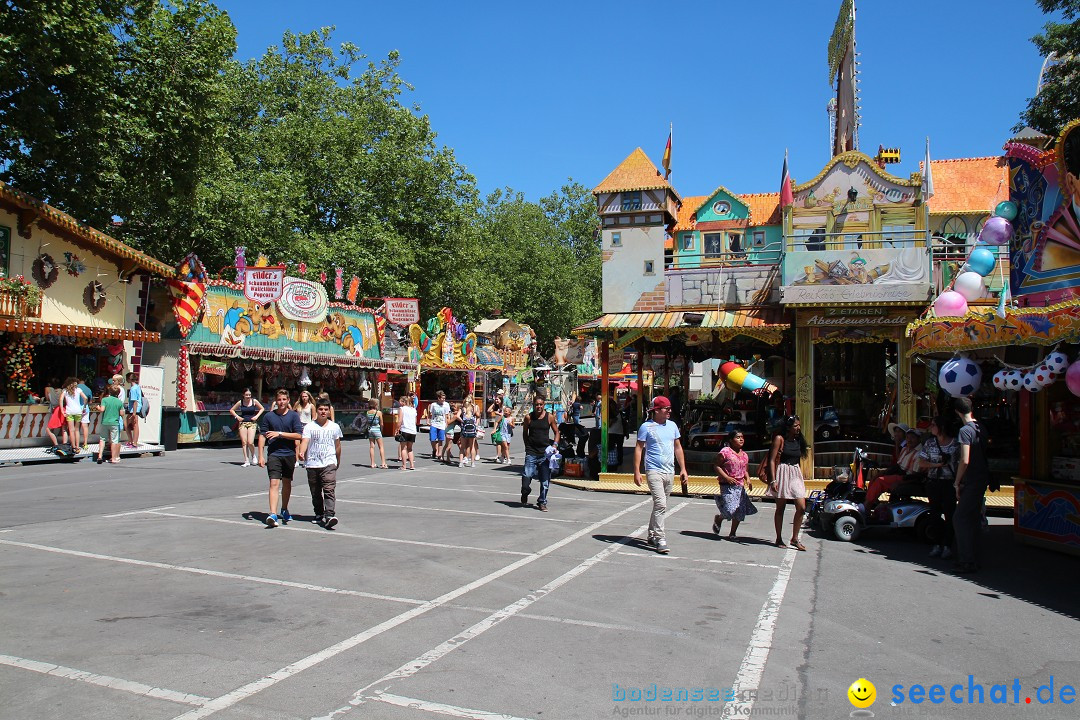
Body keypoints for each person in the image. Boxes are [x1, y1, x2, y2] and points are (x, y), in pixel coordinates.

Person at [633, 395, 689, 554]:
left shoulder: (672, 426)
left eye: (670, 408)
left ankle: (651, 534)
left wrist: (683, 469)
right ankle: (660, 538)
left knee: (660, 505)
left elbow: (678, 448)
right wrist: (637, 471)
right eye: (666, 408)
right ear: (656, 411)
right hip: (653, 470)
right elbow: (639, 448)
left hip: (669, 471)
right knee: (661, 504)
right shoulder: (646, 427)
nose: (669, 411)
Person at [953, 397, 991, 574]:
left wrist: (957, 481)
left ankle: (966, 560)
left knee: (960, 518)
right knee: (973, 518)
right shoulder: (981, 428)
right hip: (982, 477)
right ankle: (975, 557)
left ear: (957, 412)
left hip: (971, 479)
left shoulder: (965, 431)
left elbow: (965, 459)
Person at [257, 388, 304, 528]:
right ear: (275, 401)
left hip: (289, 454)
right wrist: (260, 455)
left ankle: (284, 509)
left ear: (288, 400)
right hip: (274, 454)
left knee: (287, 483)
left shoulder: (294, 416)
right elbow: (262, 436)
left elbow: (299, 435)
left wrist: (280, 434)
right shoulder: (269, 416)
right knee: (273, 483)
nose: (281, 402)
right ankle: (272, 513)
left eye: (284, 399)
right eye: (279, 400)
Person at [767, 415, 809, 551]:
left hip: (795, 473)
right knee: (781, 508)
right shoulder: (780, 439)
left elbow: (798, 459)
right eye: (795, 426)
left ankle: (794, 538)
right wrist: (773, 480)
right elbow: (772, 460)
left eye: (799, 425)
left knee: (801, 507)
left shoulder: (798, 440)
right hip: (782, 472)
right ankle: (778, 538)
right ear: (788, 427)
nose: (798, 428)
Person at [299, 398, 343, 529]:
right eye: (321, 409)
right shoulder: (309, 427)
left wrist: (337, 460)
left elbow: (338, 446)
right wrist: (301, 452)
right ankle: (318, 513)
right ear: (316, 411)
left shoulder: (334, 427)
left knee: (329, 489)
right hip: (312, 463)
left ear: (329, 411)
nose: (323, 412)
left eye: (326, 409)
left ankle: (329, 515)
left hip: (329, 462)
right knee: (315, 491)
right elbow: (305, 441)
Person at [919, 416, 958, 559]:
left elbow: (960, 464)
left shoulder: (955, 444)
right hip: (934, 481)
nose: (931, 427)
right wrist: (937, 465)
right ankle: (936, 544)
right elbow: (921, 462)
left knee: (950, 514)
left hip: (949, 482)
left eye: (934, 425)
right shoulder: (930, 443)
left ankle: (948, 545)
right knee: (934, 513)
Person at [713, 431, 757, 539]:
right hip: (727, 485)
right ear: (731, 440)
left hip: (740, 486)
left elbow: (745, 470)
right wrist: (727, 477)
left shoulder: (745, 455)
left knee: (739, 510)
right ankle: (719, 518)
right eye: (738, 437)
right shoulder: (725, 452)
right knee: (730, 509)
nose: (741, 439)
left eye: (742, 437)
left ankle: (732, 533)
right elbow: (716, 466)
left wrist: (748, 480)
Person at [865, 429, 923, 509]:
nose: (909, 440)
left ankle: (867, 506)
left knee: (880, 481)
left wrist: (900, 483)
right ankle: (870, 502)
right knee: (874, 478)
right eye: (908, 437)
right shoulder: (905, 449)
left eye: (912, 437)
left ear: (919, 439)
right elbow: (898, 465)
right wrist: (884, 472)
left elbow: (916, 476)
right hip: (898, 473)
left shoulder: (920, 454)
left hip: (906, 477)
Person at [521, 393, 559, 511]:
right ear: (533, 405)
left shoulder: (549, 417)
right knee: (527, 475)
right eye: (536, 404)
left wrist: (554, 445)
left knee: (545, 480)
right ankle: (525, 491)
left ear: (544, 405)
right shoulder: (528, 417)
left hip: (545, 454)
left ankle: (542, 502)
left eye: (541, 405)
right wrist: (527, 446)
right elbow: (525, 433)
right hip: (531, 452)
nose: (539, 407)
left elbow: (557, 432)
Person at [230, 388, 264, 467]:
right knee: (244, 442)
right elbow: (232, 410)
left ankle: (253, 455)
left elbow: (262, 408)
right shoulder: (240, 402)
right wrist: (237, 417)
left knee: (250, 442)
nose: (248, 396)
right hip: (243, 423)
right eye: (246, 395)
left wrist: (257, 416)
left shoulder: (254, 401)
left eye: (249, 395)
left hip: (252, 423)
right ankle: (246, 460)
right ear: (243, 395)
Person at [95, 385, 125, 464]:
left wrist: (98, 407)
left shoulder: (105, 399)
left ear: (109, 392)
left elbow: (102, 409)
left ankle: (100, 456)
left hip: (105, 422)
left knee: (102, 439)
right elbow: (122, 413)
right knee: (114, 440)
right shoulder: (119, 402)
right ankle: (114, 458)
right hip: (114, 423)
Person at [60, 377, 88, 452]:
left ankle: (73, 447)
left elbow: (61, 399)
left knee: (71, 430)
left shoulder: (65, 391)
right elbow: (85, 398)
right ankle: (78, 446)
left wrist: (62, 410)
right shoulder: (78, 390)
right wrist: (84, 407)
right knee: (77, 430)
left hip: (69, 412)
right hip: (78, 411)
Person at [424, 390, 451, 460]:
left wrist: (446, 423)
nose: (443, 400)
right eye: (442, 398)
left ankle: (439, 454)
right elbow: (430, 414)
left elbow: (447, 415)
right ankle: (434, 450)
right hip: (434, 423)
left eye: (444, 398)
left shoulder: (446, 405)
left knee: (440, 440)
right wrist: (428, 420)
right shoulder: (433, 405)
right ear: (438, 398)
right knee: (433, 439)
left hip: (442, 424)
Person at [396, 393, 418, 470]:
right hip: (413, 430)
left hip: (405, 429)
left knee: (403, 448)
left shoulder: (402, 409)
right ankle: (412, 465)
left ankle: (404, 465)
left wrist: (397, 429)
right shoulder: (413, 409)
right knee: (410, 448)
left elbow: (400, 420)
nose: (399, 403)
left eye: (400, 401)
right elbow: (415, 421)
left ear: (403, 402)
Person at [363, 398, 388, 468]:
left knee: (371, 446)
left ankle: (372, 463)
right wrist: (382, 430)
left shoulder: (367, 412)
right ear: (376, 404)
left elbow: (367, 422)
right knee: (381, 447)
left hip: (370, 430)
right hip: (377, 429)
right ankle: (383, 463)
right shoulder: (378, 412)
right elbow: (382, 423)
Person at [294, 390, 315, 467]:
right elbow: (293, 413)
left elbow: (314, 417)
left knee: (306, 443)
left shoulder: (311, 406)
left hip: (307, 425)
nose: (304, 398)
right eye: (303, 396)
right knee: (297, 443)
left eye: (306, 396)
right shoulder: (298, 404)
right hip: (298, 425)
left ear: (308, 397)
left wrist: (312, 426)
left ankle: (306, 459)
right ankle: (296, 460)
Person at [124, 372, 142, 449]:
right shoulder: (137, 387)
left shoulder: (133, 389)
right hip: (135, 409)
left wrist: (134, 413)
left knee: (131, 425)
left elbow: (135, 402)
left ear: (129, 379)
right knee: (133, 425)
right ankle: (132, 441)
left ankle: (133, 442)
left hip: (134, 409)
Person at [459, 400, 479, 467]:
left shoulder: (463, 410)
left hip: (464, 430)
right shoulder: (473, 410)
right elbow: (478, 415)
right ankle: (472, 463)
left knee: (462, 447)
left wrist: (462, 421)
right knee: (472, 446)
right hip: (472, 431)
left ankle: (461, 462)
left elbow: (457, 416)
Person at [77, 378, 94, 451]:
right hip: (85, 408)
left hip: (77, 408)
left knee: (76, 427)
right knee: (85, 426)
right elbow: (90, 402)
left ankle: (76, 445)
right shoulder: (88, 389)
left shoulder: (75, 388)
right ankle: (85, 443)